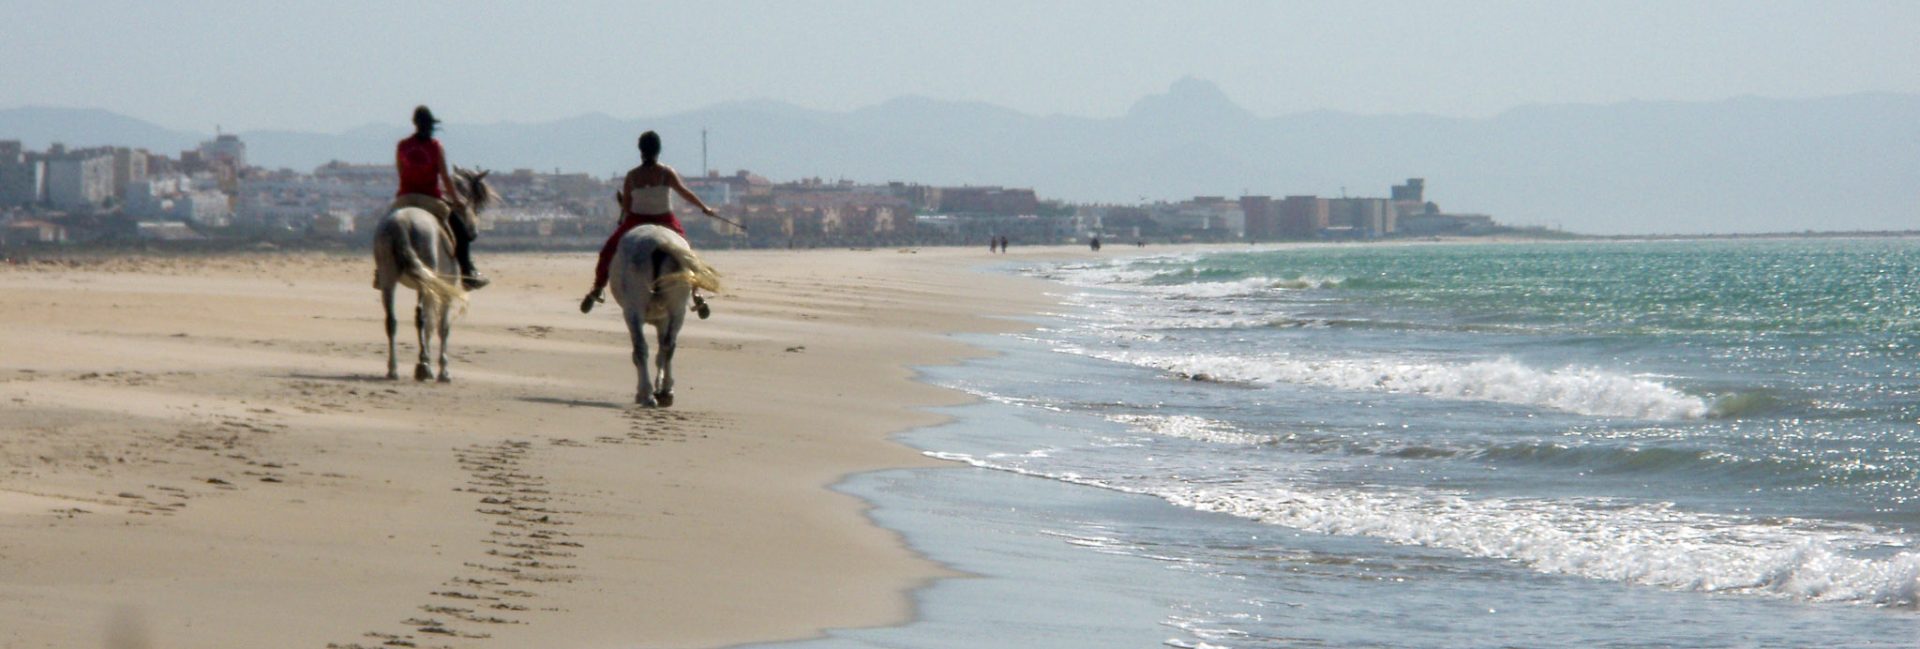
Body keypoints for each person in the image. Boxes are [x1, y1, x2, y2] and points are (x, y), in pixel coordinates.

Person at [581, 130, 724, 316]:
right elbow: (684, 193)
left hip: (635, 221)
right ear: (659, 151)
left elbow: (627, 206)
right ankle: (696, 295)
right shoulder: (666, 173)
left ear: (641, 151)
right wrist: (704, 208)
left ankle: (598, 288)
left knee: (607, 251)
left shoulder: (632, 176)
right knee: (687, 254)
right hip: (666, 220)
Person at [392, 105, 488, 289]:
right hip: (430, 199)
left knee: (386, 226)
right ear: (430, 126)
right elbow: (444, 176)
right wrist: (457, 200)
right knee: (461, 233)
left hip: (405, 198)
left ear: (415, 124)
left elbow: (401, 172)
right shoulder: (435, 147)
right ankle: (468, 273)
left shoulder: (402, 146)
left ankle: (381, 272)